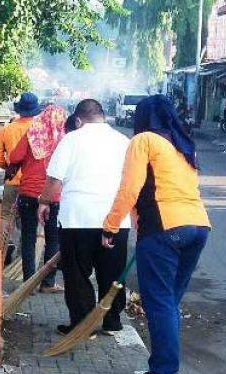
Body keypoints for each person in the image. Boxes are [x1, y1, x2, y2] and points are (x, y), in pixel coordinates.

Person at [102, 94, 211, 374]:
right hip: (198, 227)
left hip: (165, 229)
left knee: (160, 304)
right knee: (168, 304)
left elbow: (130, 189)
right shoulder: (181, 145)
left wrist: (110, 226)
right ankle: (161, 369)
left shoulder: (144, 140)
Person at [38, 99, 131, 334]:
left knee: (78, 273)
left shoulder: (71, 139)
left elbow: (54, 179)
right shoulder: (123, 141)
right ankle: (112, 321)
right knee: (112, 272)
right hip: (116, 219)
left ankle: (81, 324)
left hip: (77, 219)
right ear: (104, 116)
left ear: (78, 119)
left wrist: (45, 202)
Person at [8, 105, 66, 293]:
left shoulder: (31, 135)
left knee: (28, 238)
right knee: (53, 240)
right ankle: (48, 283)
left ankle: (29, 284)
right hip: (53, 196)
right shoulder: (64, 140)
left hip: (28, 193)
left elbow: (14, 156)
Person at [0, 93, 44, 257]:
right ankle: (25, 253)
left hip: (13, 182)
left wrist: (7, 167)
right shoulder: (40, 131)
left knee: (6, 214)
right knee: (29, 219)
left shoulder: (8, 129)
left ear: (19, 109)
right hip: (34, 183)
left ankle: (3, 249)